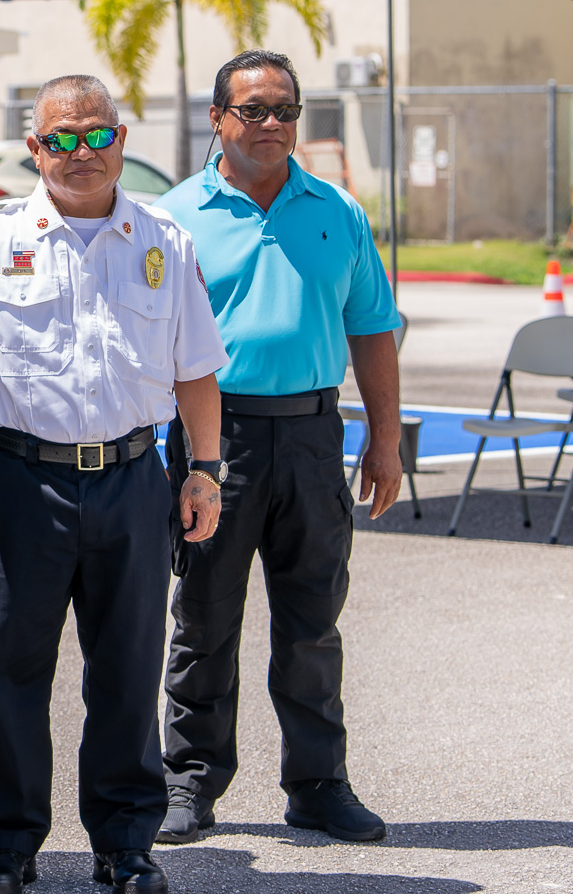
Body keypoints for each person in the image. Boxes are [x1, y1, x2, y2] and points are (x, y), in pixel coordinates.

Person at [0, 75, 229, 894]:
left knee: (125, 670)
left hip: (132, 481)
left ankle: (125, 845)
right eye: (61, 139)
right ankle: (8, 848)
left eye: (95, 135)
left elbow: (197, 372)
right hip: (17, 484)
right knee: (10, 670)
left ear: (120, 139)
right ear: (35, 147)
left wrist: (204, 471)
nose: (80, 154)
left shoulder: (165, 240)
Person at [153, 50, 403, 846]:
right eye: (253, 109)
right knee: (204, 616)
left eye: (285, 110)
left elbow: (373, 330)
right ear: (218, 120)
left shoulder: (339, 211)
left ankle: (319, 783)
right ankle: (189, 781)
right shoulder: (174, 217)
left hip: (311, 435)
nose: (271, 124)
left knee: (311, 621)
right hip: (210, 441)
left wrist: (386, 442)